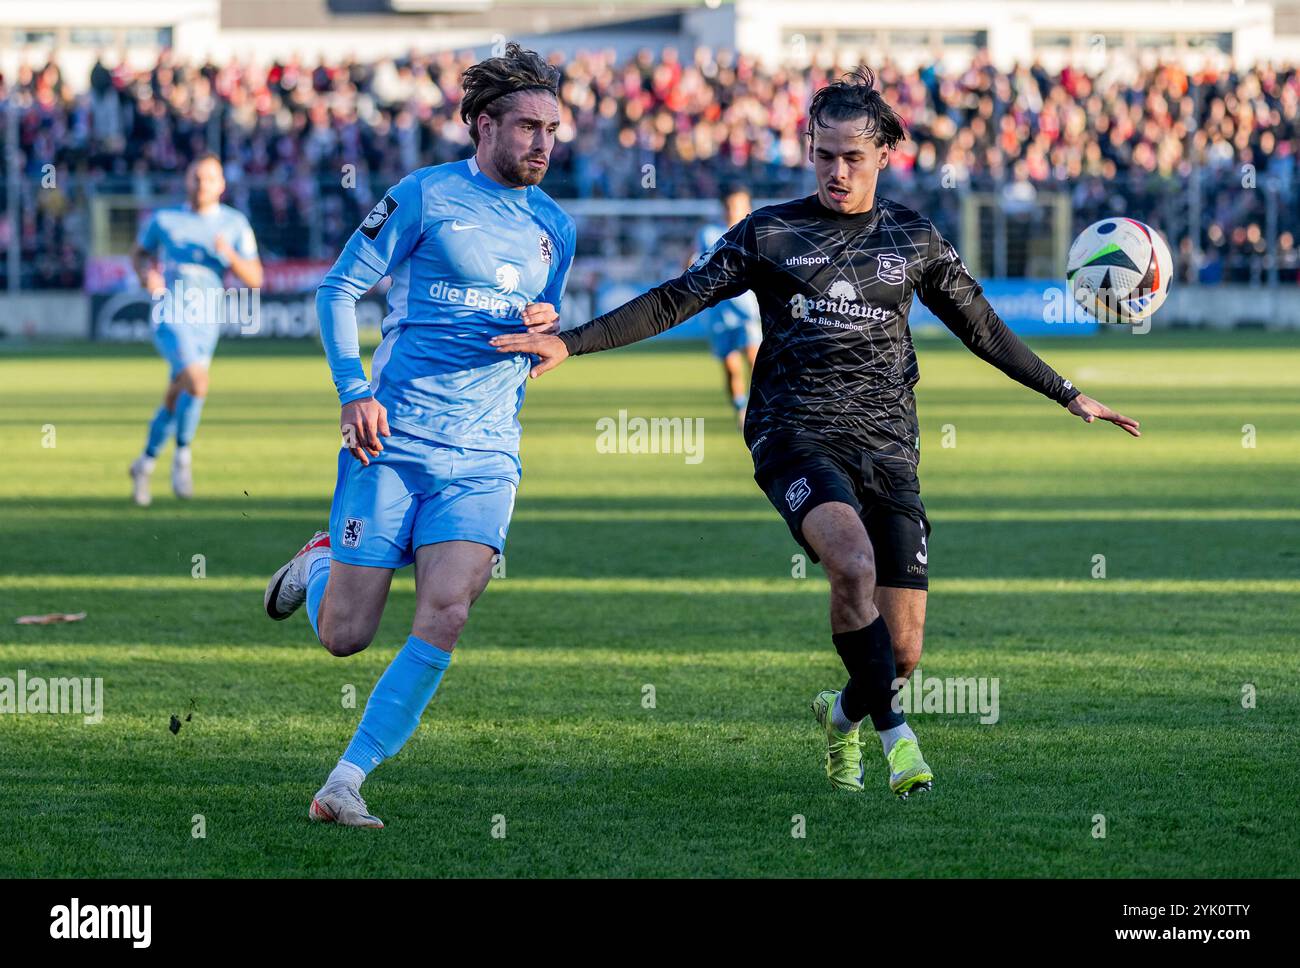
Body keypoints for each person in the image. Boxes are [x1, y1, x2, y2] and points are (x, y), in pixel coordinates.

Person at [491, 67, 1140, 799]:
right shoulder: (771, 231)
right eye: (823, 154)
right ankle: (898, 738)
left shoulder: (913, 238)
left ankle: (843, 718)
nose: (836, 171)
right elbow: (678, 298)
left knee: (902, 654)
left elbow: (982, 328)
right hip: (793, 433)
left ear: (885, 155)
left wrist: (1069, 394)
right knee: (852, 564)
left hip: (889, 444)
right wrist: (571, 342)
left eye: (852, 157)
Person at [262, 44, 575, 828]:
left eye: (553, 130)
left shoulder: (554, 228)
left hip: (485, 454)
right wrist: (353, 390)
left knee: (448, 611)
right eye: (528, 127)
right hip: (392, 440)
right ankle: (319, 562)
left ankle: (346, 779)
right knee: (346, 637)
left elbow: (542, 327)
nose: (543, 144)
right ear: (481, 124)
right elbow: (338, 289)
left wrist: (547, 327)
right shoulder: (424, 196)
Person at [129, 153, 262, 505]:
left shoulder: (234, 224)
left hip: (207, 321)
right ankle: (183, 458)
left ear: (221, 185)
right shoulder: (166, 219)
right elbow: (140, 253)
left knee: (181, 390)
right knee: (197, 381)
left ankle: (145, 462)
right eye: (195, 177)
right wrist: (147, 275)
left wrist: (229, 255)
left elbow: (255, 278)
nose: (201, 184)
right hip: (169, 313)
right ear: (187, 181)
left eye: (208, 178)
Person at [692, 184, 761, 427]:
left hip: (747, 312)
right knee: (731, 367)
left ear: (748, 207)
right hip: (720, 313)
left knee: (755, 360)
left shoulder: (754, 232)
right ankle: (741, 410)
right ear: (723, 208)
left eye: (739, 205)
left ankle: (761, 408)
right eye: (730, 206)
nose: (734, 210)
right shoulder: (709, 234)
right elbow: (696, 262)